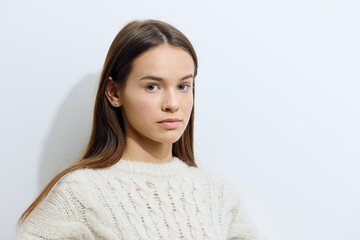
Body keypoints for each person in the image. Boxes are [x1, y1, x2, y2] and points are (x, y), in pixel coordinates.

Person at [15, 19, 266, 239]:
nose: (172, 104)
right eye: (152, 87)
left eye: (183, 86)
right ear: (114, 92)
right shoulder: (80, 193)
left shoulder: (218, 192)